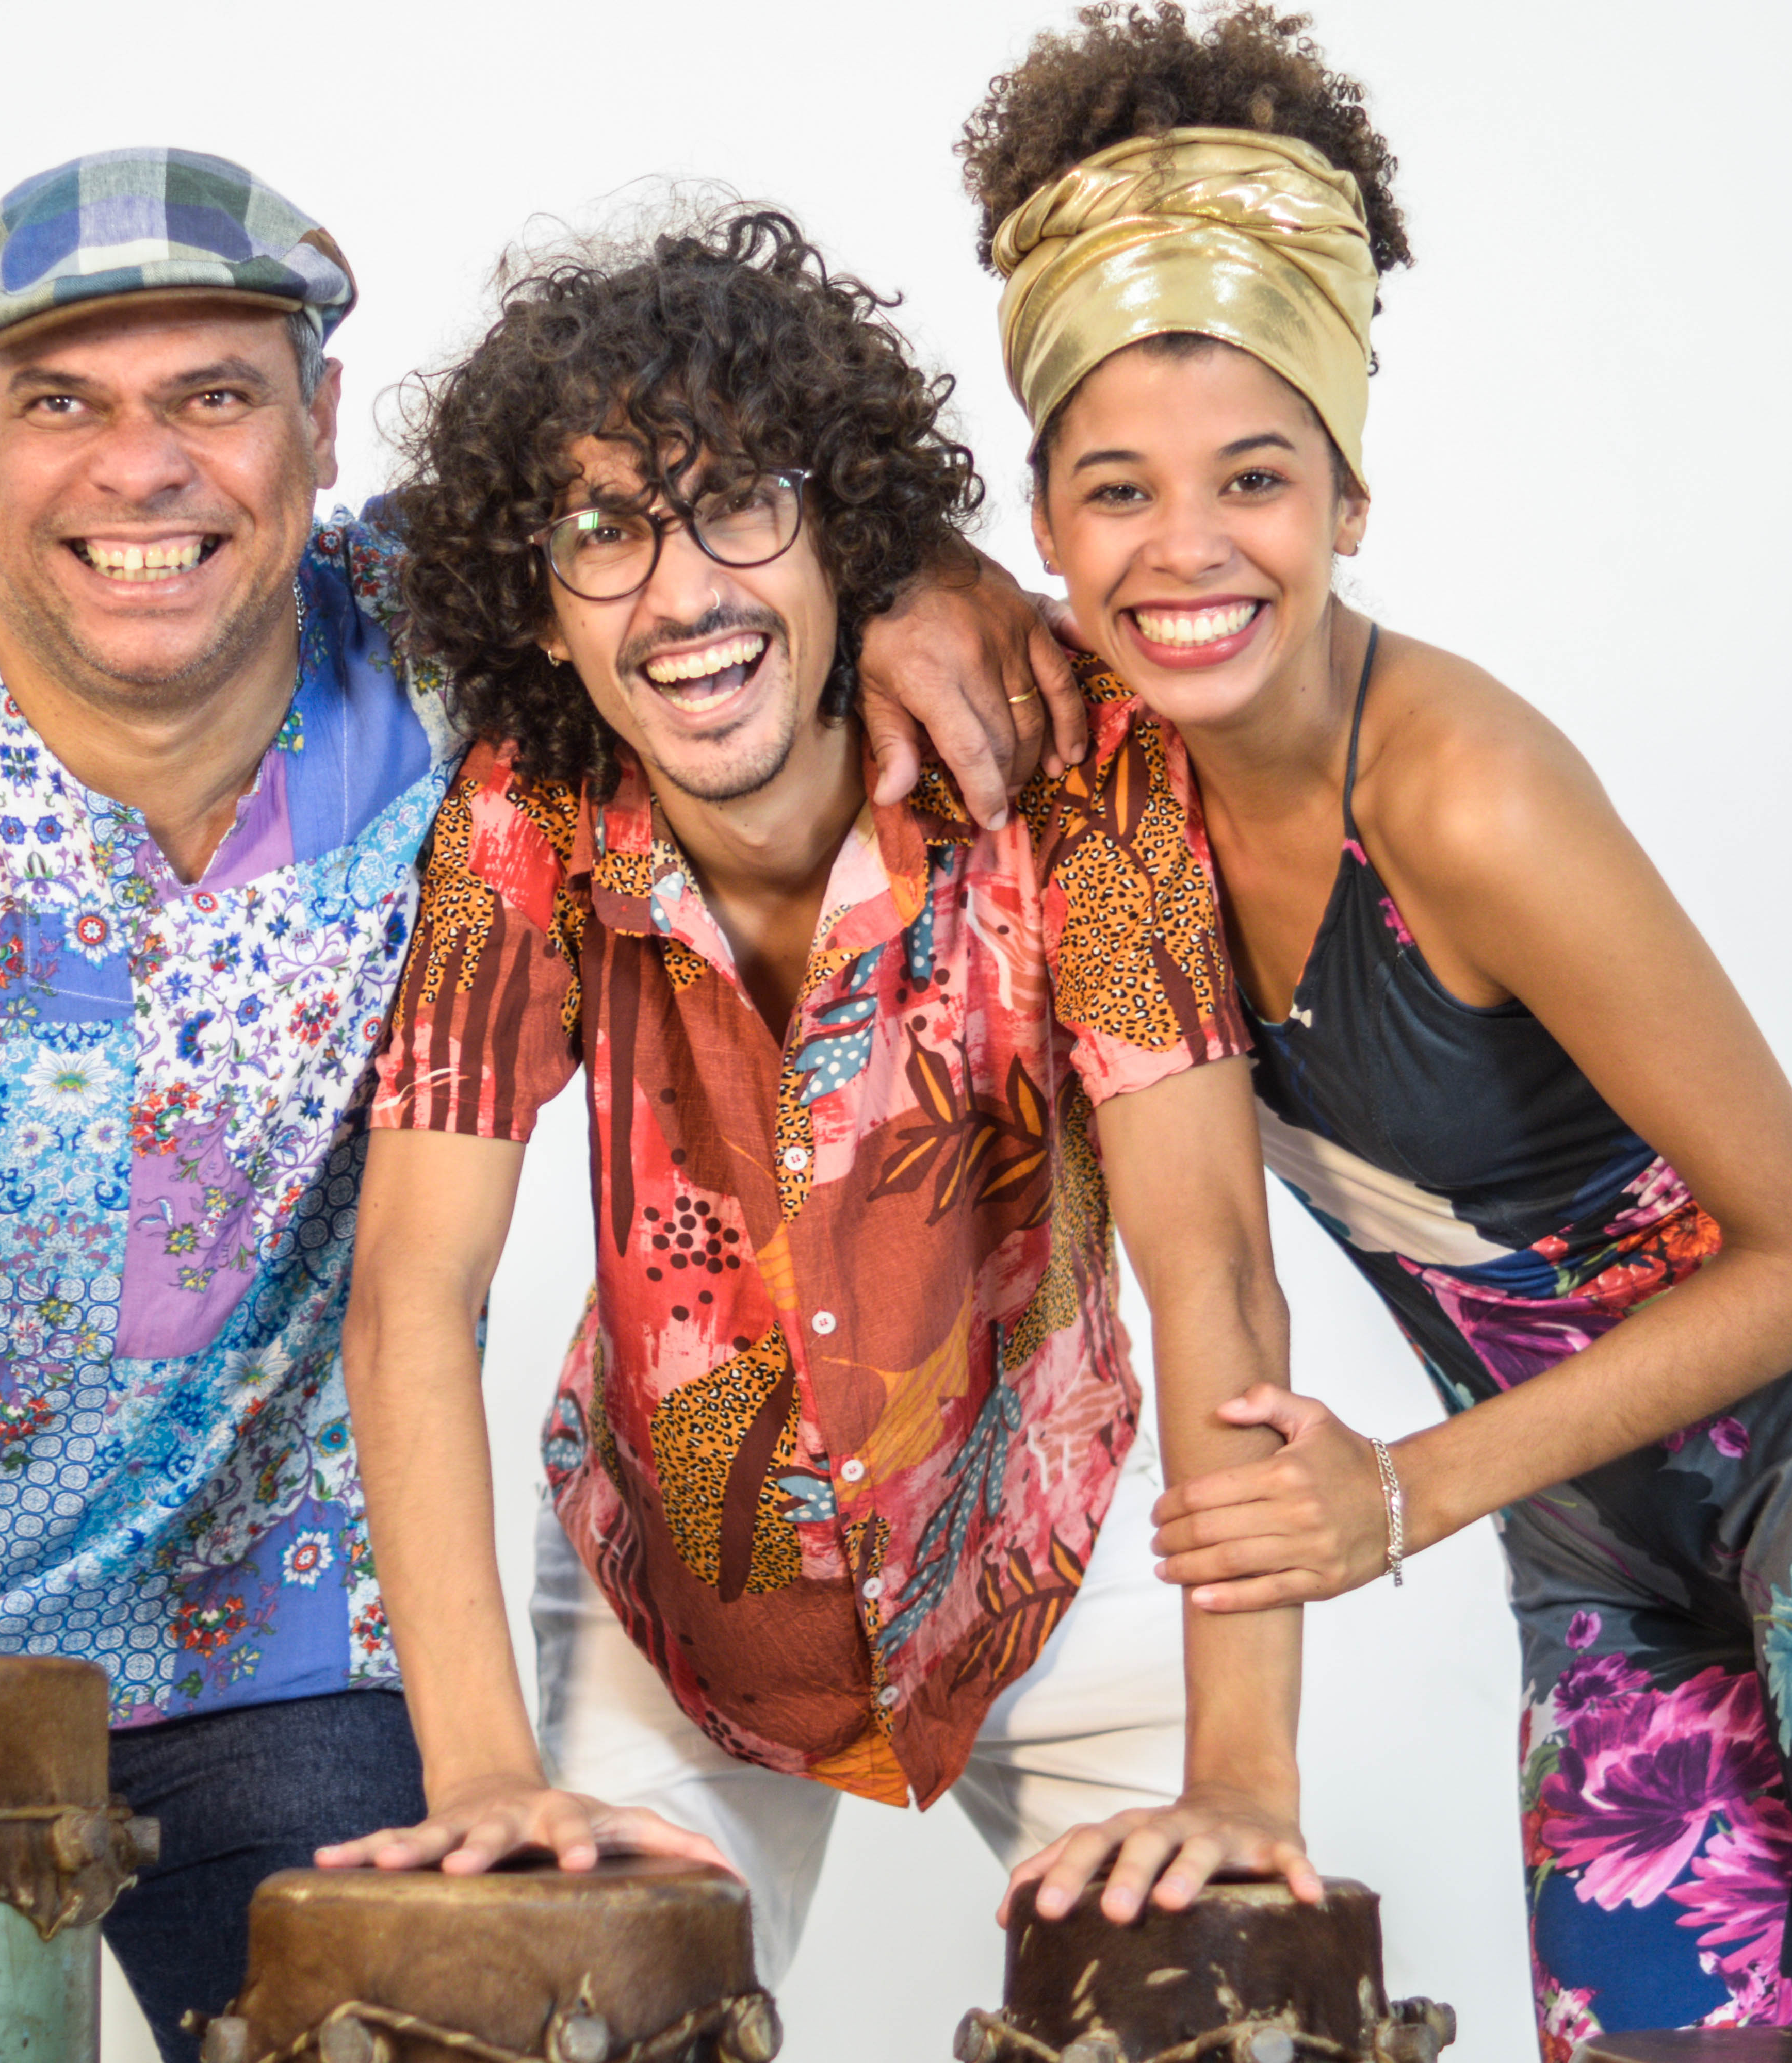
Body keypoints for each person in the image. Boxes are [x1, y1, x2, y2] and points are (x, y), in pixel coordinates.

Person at [0, 150, 1079, 2057]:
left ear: (322, 422)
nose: (142, 469)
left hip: (284, 1633)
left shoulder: (440, 637)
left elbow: (697, 505)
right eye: (64, 405)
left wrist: (924, 578)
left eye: (214, 396)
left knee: (457, 2019)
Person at [955, 6, 1792, 2054]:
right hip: (1595, 1526)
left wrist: (1408, 1489)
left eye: (1255, 478)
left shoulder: (1465, 797)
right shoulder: (1113, 802)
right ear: (1047, 528)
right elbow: (1216, 1273)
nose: (1185, 550)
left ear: (1350, 495)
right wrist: (1243, 1779)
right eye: (1115, 491)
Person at [316, 208, 1319, 1984]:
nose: (682, 594)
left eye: (738, 505)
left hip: (1056, 1549)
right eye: (603, 534)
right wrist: (479, 1771)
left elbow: (1216, 1264)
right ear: (537, 607)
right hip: (679, 1604)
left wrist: (1242, 1769)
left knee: (1241, 1991)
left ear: (841, 537)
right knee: (548, 2001)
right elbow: (411, 1286)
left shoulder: (1079, 771)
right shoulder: (520, 818)